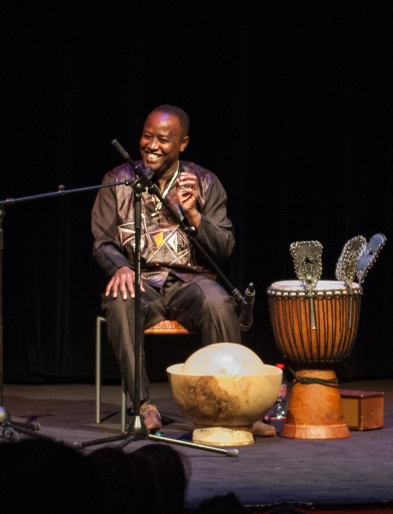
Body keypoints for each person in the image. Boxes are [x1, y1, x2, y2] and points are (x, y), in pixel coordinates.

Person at [92, 105, 270, 436]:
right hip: (141, 281)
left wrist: (195, 215)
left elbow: (225, 246)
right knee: (118, 300)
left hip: (192, 282)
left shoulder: (204, 182)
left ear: (182, 144)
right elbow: (103, 242)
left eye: (163, 139)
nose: (152, 145)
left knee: (218, 303)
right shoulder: (116, 181)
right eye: (147, 136)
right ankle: (143, 405)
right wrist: (120, 268)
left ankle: (234, 405)